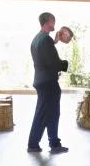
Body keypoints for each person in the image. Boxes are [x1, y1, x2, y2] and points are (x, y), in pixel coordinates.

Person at [27, 11, 69, 154]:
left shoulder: (37, 39)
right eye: (52, 21)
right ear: (46, 23)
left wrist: (55, 41)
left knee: (49, 113)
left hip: (42, 80)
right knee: (46, 113)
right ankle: (34, 144)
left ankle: (53, 143)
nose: (54, 24)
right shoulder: (45, 40)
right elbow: (53, 63)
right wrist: (65, 64)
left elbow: (45, 56)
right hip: (48, 82)